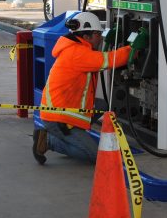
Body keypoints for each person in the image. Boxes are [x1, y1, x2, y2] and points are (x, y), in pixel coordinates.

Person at [33, 12, 131, 165]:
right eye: (98, 34)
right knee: (97, 156)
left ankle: (74, 136)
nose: (101, 37)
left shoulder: (78, 48)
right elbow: (108, 60)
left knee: (101, 105)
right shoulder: (77, 53)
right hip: (59, 118)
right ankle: (49, 140)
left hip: (65, 110)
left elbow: (99, 58)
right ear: (86, 37)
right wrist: (132, 50)